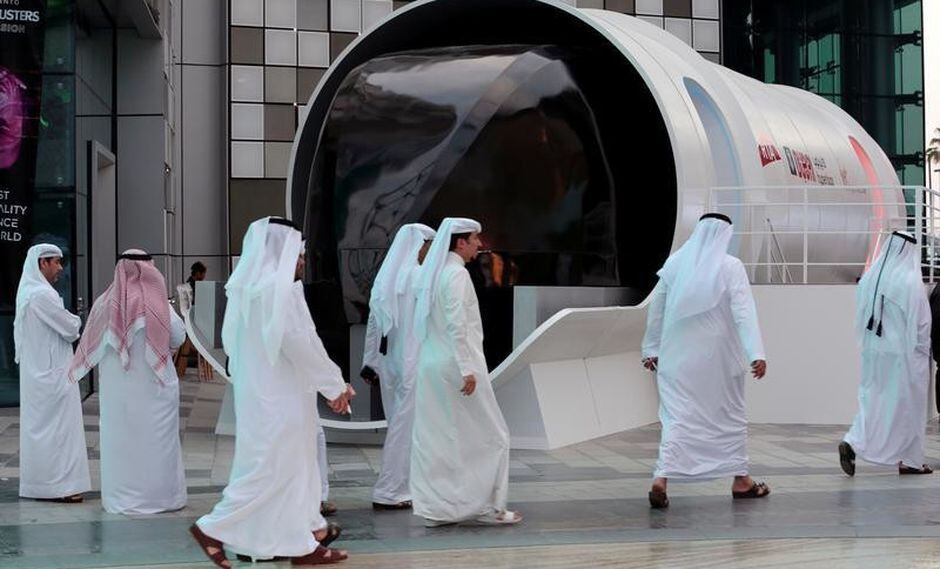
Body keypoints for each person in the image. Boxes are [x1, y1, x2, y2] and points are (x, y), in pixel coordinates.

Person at [190, 217, 354, 568]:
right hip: (280, 400)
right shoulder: (278, 292)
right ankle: (212, 528)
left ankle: (302, 541)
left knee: (293, 470)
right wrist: (334, 385)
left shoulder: (250, 289)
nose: (302, 261)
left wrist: (332, 383)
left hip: (264, 396)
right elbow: (300, 343)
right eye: (299, 253)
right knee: (269, 472)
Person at [641, 213, 769, 509]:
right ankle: (741, 480)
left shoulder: (674, 264)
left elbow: (656, 308)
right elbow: (743, 311)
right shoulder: (730, 266)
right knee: (728, 416)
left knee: (676, 417)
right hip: (719, 361)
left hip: (676, 358)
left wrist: (650, 348)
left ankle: (661, 478)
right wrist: (756, 353)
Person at [410, 217, 522, 527]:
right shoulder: (457, 274)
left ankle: (439, 510)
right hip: (459, 366)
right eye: (475, 239)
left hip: (433, 364)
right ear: (460, 242)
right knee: (493, 436)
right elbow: (457, 324)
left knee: (441, 438)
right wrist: (466, 369)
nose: (479, 245)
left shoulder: (434, 274)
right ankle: (489, 507)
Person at [68, 250, 188, 515]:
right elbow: (178, 336)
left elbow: (91, 343)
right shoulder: (158, 304)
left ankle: (121, 499)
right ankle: (159, 499)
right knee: (155, 445)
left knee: (122, 446)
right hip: (154, 390)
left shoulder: (104, 304)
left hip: (118, 393)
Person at [840, 230, 932, 476]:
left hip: (874, 352)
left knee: (873, 401)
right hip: (904, 356)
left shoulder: (870, 278)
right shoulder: (910, 282)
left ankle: (853, 440)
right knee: (909, 408)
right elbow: (922, 325)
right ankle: (911, 461)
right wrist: (923, 353)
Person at [362, 223, 436, 510]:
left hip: (389, 364)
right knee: (405, 430)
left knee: (399, 426)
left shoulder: (386, 280)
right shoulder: (418, 277)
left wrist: (370, 363)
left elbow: (373, 324)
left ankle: (406, 486)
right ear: (419, 245)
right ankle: (390, 490)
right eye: (429, 244)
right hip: (413, 364)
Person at [14, 243, 90, 503]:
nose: (60, 268)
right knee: (59, 431)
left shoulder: (30, 292)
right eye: (56, 262)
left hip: (41, 374)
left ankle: (42, 486)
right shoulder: (41, 295)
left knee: (43, 431)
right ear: (42, 263)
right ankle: (59, 488)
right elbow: (70, 328)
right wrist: (76, 319)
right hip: (52, 375)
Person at [175, 261, 211, 379]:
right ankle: (201, 362)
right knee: (200, 341)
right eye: (203, 273)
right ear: (198, 273)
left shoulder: (187, 286)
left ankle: (183, 367)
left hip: (189, 321)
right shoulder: (194, 287)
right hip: (194, 322)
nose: (204, 276)